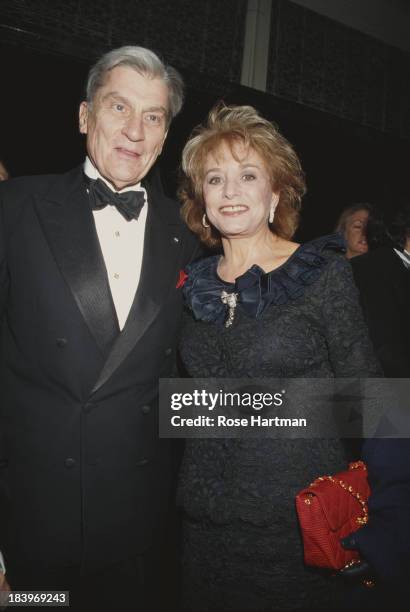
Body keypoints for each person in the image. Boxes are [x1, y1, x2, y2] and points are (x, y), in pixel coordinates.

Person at [0, 46, 199, 611]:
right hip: (29, 533)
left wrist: (340, 411)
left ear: (165, 137)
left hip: (138, 537)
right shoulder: (13, 209)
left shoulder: (190, 234)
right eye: (118, 107)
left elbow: (191, 385)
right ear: (85, 116)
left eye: (153, 116)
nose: (135, 130)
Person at [176, 104, 380, 611]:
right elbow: (182, 404)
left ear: (274, 194)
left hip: (296, 531)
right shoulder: (189, 285)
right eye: (215, 178)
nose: (230, 190)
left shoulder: (321, 274)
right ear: (202, 202)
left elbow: (372, 403)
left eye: (248, 175)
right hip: (199, 527)